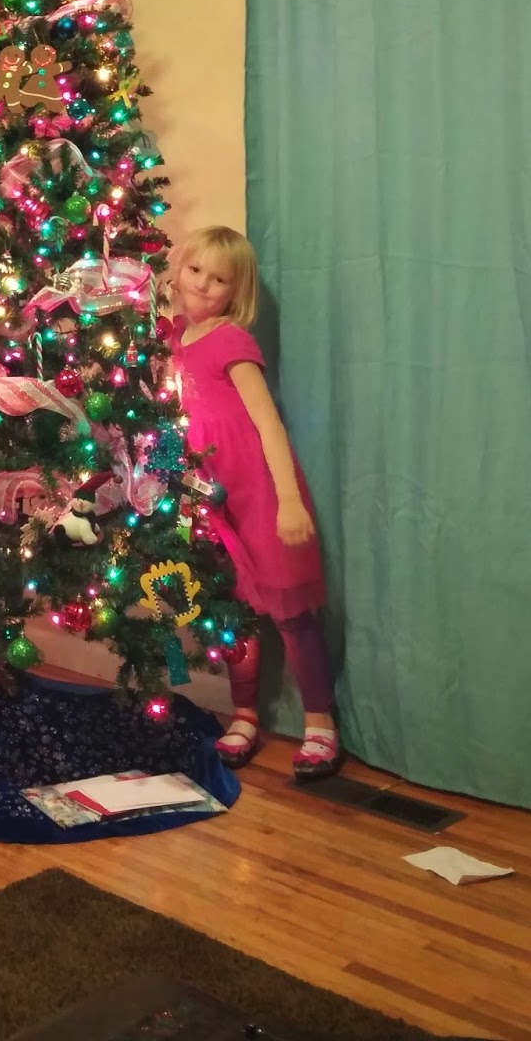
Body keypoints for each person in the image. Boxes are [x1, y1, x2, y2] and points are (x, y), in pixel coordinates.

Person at [167, 225, 341, 780]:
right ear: (178, 270)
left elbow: (269, 424)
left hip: (258, 491)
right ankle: (244, 714)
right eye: (195, 270)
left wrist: (289, 501)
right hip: (209, 495)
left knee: (290, 612)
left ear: (235, 291)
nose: (203, 284)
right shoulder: (172, 338)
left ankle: (320, 723)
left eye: (219, 279)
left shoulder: (231, 341)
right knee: (234, 613)